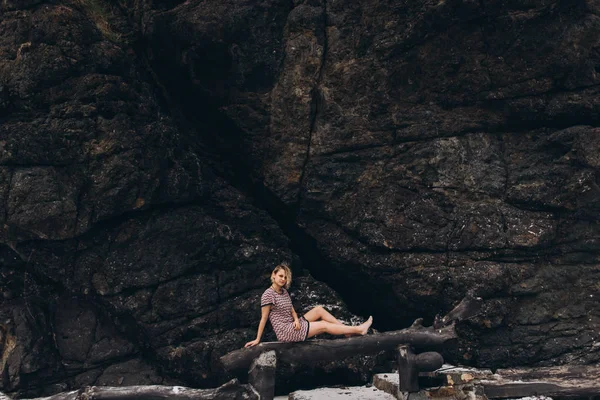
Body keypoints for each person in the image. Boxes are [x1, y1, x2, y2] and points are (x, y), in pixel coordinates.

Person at [245, 264, 373, 347]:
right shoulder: (268, 295)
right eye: (280, 276)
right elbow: (264, 318)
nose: (283, 279)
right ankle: (358, 329)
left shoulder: (284, 292)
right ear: (273, 275)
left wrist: (296, 319)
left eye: (285, 277)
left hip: (293, 325)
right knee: (323, 325)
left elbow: (291, 310)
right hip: (286, 332)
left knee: (318, 310)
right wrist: (257, 339)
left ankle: (345, 331)